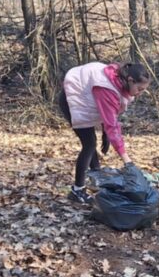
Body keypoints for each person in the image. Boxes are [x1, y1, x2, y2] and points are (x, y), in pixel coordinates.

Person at [58, 61, 150, 204]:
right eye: (139, 89)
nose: (140, 93)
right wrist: (127, 161)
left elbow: (109, 113)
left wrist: (106, 135)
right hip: (73, 97)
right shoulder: (107, 88)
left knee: (91, 142)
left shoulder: (121, 83)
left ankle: (97, 179)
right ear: (131, 80)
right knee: (89, 144)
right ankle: (77, 190)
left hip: (85, 97)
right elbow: (111, 123)